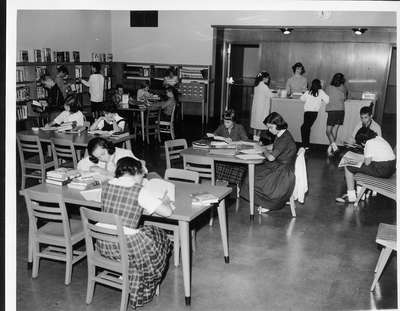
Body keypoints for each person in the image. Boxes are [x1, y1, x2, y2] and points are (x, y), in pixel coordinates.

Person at [96, 156, 172, 309]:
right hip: (124, 247)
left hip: (103, 244)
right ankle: (142, 278)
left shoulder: (105, 185)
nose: (142, 179)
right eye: (142, 176)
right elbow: (168, 213)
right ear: (136, 171)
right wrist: (164, 202)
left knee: (144, 232)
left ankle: (127, 271)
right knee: (160, 236)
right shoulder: (139, 191)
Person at [241, 112, 297, 212]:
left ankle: (267, 203)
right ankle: (263, 201)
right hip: (280, 166)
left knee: (254, 176)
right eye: (268, 127)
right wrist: (262, 147)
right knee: (254, 170)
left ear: (278, 125)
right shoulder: (283, 133)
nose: (269, 130)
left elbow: (271, 158)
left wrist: (263, 150)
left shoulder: (284, 138)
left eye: (271, 127)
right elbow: (274, 146)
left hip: (283, 172)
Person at [336, 128, 395, 203]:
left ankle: (351, 197)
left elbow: (367, 163)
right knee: (359, 166)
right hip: (391, 169)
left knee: (348, 166)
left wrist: (355, 159)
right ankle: (360, 194)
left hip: (382, 170)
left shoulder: (369, 143)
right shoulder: (379, 138)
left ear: (363, 141)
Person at [77, 137, 148, 178]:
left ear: (108, 147)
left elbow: (143, 170)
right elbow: (80, 165)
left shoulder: (123, 154)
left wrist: (105, 171)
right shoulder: (96, 157)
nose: (102, 158)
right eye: (98, 157)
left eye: (103, 154)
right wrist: (92, 168)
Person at [213, 109, 249, 185]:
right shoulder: (222, 127)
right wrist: (224, 139)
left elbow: (245, 141)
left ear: (233, 121)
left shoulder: (239, 128)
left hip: (236, 156)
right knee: (218, 163)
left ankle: (229, 183)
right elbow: (214, 135)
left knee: (237, 168)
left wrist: (233, 142)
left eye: (228, 122)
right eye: (224, 121)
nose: (225, 124)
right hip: (225, 154)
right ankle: (222, 182)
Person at [300, 79, 329, 149]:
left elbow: (301, 99)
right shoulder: (321, 92)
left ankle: (305, 145)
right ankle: (306, 145)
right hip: (314, 113)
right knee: (306, 128)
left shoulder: (308, 92)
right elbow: (327, 100)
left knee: (304, 128)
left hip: (307, 113)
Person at [325, 73, 347, 156]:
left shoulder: (328, 88)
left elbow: (326, 97)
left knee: (328, 131)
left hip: (332, 111)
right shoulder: (344, 88)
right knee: (334, 131)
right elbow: (344, 98)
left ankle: (335, 148)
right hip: (341, 111)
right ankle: (329, 150)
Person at [250, 71, 273, 141]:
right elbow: (270, 95)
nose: (268, 79)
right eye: (267, 78)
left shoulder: (256, 86)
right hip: (262, 108)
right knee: (260, 123)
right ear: (264, 78)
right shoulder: (264, 86)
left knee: (255, 123)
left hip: (256, 107)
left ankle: (254, 138)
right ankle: (257, 138)